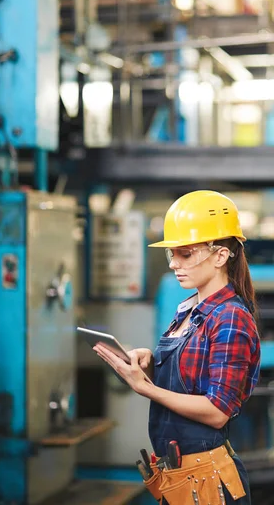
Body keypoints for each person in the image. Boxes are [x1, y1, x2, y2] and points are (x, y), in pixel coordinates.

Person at [94, 190, 261, 504]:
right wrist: (150, 366)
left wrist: (147, 389)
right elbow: (190, 383)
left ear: (221, 256)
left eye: (185, 253)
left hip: (208, 481)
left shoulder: (231, 320)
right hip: (178, 475)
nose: (174, 264)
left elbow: (216, 412)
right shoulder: (188, 308)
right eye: (171, 253)